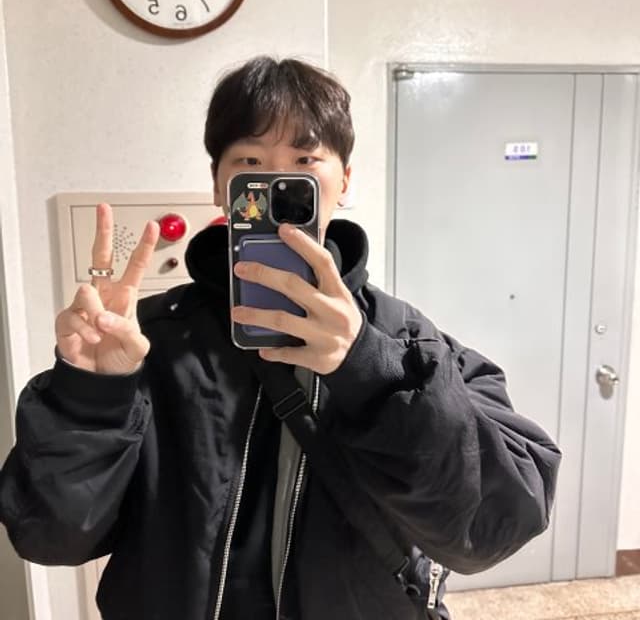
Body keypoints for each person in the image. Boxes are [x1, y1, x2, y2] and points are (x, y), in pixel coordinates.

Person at [0, 56, 561, 620]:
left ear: (344, 181)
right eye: (249, 162)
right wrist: (91, 396)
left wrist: (369, 369)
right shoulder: (148, 341)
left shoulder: (409, 347)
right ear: (219, 186)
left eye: (304, 160)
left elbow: (494, 526)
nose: (274, 182)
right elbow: (50, 536)